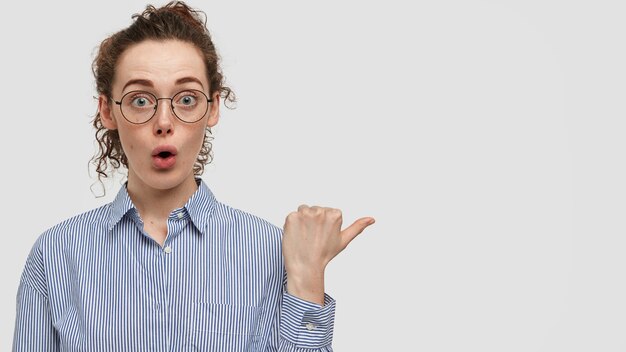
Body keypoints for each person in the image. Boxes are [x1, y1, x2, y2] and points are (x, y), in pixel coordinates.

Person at [12, 2, 374, 351]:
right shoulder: (55, 256)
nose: (164, 123)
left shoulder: (273, 252)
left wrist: (308, 279)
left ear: (213, 107)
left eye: (186, 99)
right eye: (141, 100)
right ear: (108, 110)